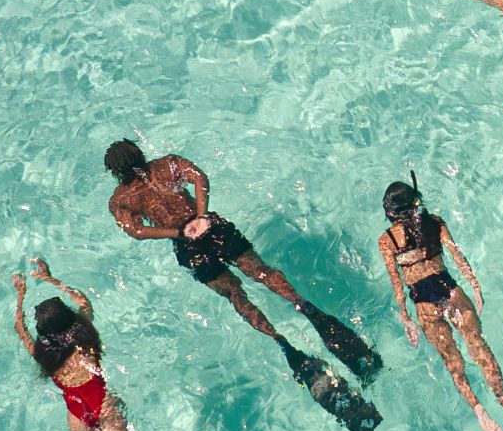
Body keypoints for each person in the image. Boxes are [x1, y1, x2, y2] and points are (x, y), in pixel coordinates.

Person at [103, 138, 379, 377]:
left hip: (189, 247)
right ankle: (304, 306)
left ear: (114, 171)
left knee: (235, 295)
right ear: (139, 153)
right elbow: (199, 177)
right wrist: (202, 216)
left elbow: (136, 230)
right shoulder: (168, 165)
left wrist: (178, 232)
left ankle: (281, 341)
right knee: (262, 272)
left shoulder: (121, 199)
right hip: (213, 229)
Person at [376, 179, 503, 431]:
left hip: (424, 303)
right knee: (479, 348)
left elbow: (397, 284)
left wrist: (405, 317)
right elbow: (457, 255)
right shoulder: (435, 222)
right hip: (452, 293)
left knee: (454, 364)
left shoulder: (387, 240)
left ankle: (479, 409)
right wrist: (475, 286)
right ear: (416, 202)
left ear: (390, 212)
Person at [12, 259, 152, 431]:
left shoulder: (43, 354)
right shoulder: (85, 334)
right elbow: (83, 301)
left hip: (77, 416)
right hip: (104, 404)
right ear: (69, 318)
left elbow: (20, 329)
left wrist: (21, 294)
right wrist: (51, 279)